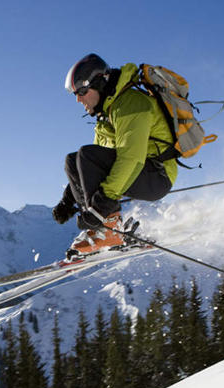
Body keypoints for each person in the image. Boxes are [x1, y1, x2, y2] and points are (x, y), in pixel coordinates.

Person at [52, 53, 178, 257]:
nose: (78, 99)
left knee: (86, 154)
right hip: (138, 172)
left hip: (157, 175)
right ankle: (101, 229)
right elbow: (90, 168)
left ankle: (108, 227)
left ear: (99, 83)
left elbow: (132, 158)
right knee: (73, 159)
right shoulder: (106, 115)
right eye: (75, 93)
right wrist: (68, 200)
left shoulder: (132, 104)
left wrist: (102, 205)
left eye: (82, 91)